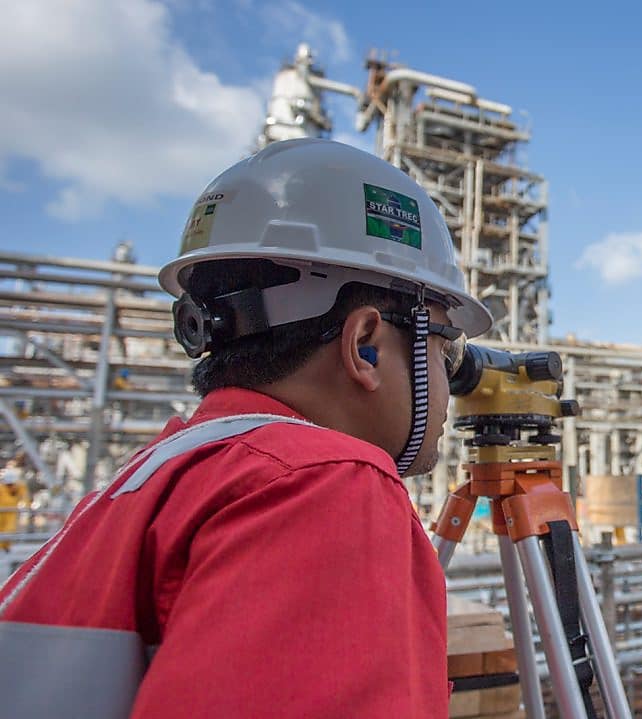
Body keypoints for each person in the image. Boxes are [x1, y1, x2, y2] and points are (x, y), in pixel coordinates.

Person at [0, 139, 492, 717]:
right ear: (365, 345)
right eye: (442, 345)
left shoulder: (153, 481)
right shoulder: (320, 487)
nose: (447, 375)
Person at [0, 460, 27, 550]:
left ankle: (6, 548)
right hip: (1, 513)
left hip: (12, 513)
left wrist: (25, 506)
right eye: (8, 484)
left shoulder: (20, 487)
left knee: (9, 531)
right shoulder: (1, 489)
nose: (10, 486)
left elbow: (25, 498)